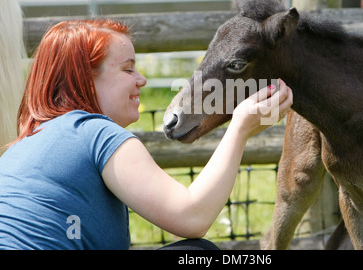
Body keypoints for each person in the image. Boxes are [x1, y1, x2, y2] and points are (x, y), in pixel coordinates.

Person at [0, 19, 293, 250]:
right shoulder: (95, 133)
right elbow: (192, 217)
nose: (142, 80)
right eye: (128, 70)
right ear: (86, 77)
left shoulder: (22, 146)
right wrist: (240, 127)